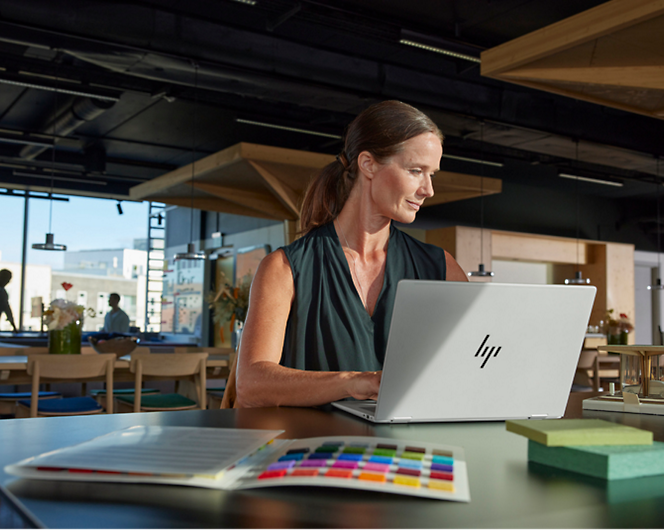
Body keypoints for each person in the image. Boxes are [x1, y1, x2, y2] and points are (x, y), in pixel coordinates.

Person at [235, 100, 467, 408]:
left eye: (432, 174)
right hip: (317, 450)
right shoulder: (284, 268)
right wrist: (356, 382)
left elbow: (473, 366)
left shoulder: (442, 268)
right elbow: (251, 384)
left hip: (411, 449)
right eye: (415, 171)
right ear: (368, 164)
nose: (428, 189)